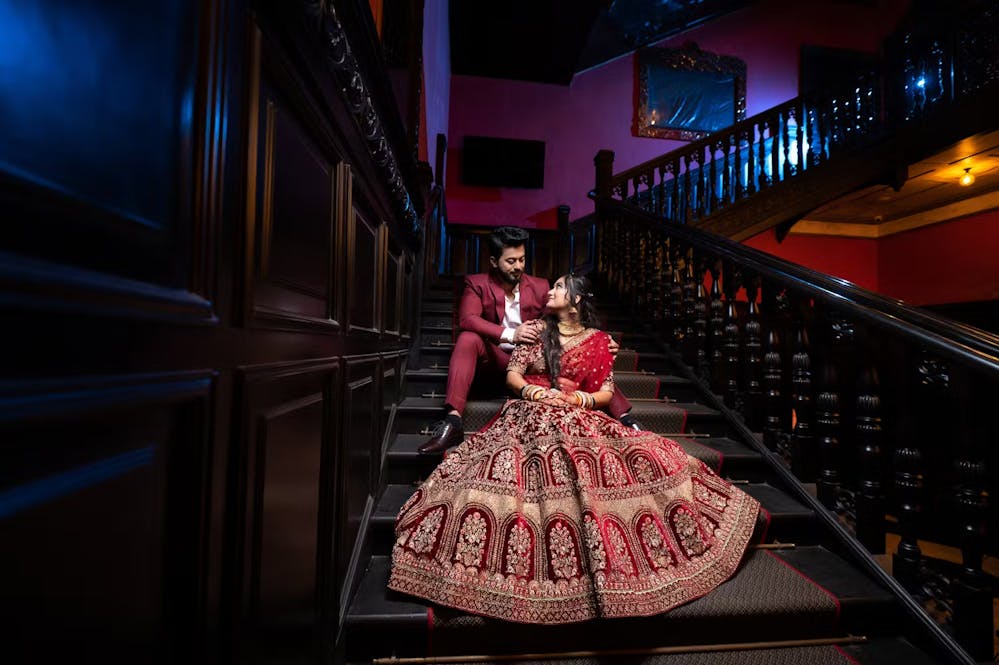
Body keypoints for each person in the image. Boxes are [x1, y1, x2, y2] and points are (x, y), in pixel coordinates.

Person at [390, 274, 761, 624]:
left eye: (558, 287)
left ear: (577, 300)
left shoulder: (599, 340)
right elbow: (513, 374)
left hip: (576, 409)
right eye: (550, 287)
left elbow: (604, 390)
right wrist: (535, 392)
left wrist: (578, 400)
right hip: (529, 410)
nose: (549, 291)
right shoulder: (535, 332)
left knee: (626, 455)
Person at [419, 226, 639, 454]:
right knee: (467, 338)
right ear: (494, 262)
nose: (519, 267)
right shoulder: (477, 284)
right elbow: (468, 319)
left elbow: (569, 311)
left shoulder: (541, 286)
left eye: (522, 260)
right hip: (496, 360)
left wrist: (600, 343)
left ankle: (624, 415)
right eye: (511, 261)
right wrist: (510, 334)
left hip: (534, 367)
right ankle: (453, 422)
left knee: (586, 354)